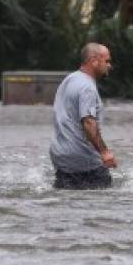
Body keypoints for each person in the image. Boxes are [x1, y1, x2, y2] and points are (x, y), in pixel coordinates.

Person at [50, 42, 117, 190]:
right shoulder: (87, 87)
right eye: (106, 61)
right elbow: (88, 122)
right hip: (83, 160)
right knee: (104, 205)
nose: (109, 66)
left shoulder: (69, 79)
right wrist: (105, 152)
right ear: (94, 61)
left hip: (61, 158)